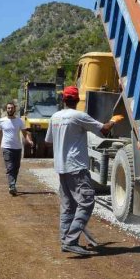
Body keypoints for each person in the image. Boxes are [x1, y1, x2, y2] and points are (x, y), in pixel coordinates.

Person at [45, 86, 115, 255]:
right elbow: (104, 130)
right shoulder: (79, 116)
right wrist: (114, 120)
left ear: (64, 100)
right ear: (77, 101)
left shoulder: (55, 117)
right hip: (76, 167)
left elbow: (48, 141)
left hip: (61, 168)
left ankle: (65, 240)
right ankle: (71, 240)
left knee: (68, 206)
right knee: (87, 201)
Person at [0, 102, 34, 196]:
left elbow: (25, 133)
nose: (10, 110)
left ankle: (12, 185)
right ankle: (12, 186)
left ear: (14, 109)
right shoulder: (1, 121)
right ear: (6, 109)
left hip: (17, 148)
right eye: (8, 108)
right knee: (10, 167)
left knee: (16, 168)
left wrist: (29, 141)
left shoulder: (20, 121)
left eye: (12, 108)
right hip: (6, 148)